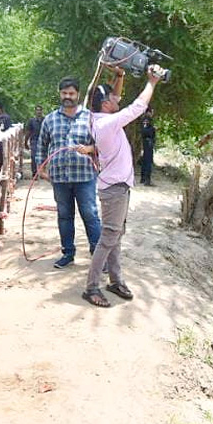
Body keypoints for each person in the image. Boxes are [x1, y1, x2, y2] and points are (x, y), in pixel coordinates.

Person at [80, 68, 162, 307]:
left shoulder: (97, 117)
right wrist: (152, 82)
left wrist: (120, 77)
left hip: (118, 186)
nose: (119, 98)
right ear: (105, 104)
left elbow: (113, 97)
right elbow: (137, 107)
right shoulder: (107, 124)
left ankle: (115, 281)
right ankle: (91, 287)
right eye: (114, 98)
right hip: (114, 189)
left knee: (116, 235)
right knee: (108, 237)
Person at [34, 77, 100, 269]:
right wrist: (40, 167)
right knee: (64, 215)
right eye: (64, 93)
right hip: (59, 177)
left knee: (90, 214)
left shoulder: (90, 118)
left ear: (78, 94)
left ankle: (98, 255)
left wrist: (89, 149)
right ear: (60, 94)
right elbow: (41, 144)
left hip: (85, 176)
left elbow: (103, 144)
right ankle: (68, 254)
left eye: (71, 93)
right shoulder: (50, 119)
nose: (68, 97)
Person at [24, 106, 44, 179]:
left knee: (43, 157)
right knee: (34, 157)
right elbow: (28, 132)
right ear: (35, 111)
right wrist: (25, 142)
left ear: (42, 111)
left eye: (40, 110)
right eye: (37, 110)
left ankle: (42, 172)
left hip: (43, 141)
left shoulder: (45, 120)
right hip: (34, 141)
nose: (38, 112)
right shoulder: (31, 121)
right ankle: (34, 173)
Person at [139, 110, 156, 185]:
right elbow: (145, 131)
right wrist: (153, 129)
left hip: (148, 142)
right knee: (148, 161)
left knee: (145, 161)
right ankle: (147, 179)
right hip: (147, 142)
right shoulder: (146, 120)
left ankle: (143, 178)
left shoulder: (147, 120)